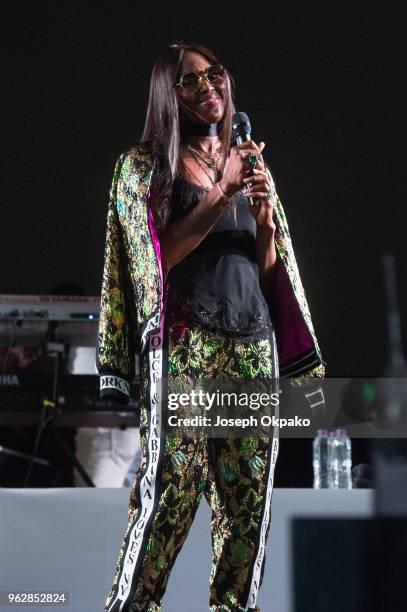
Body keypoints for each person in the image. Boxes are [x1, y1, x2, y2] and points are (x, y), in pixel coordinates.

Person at [97, 42, 325, 612]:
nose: (209, 87)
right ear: (165, 98)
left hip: (251, 352)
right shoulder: (143, 166)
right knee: (166, 505)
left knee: (247, 513)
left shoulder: (247, 160)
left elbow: (267, 271)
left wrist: (266, 223)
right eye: (191, 81)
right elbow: (156, 258)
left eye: (214, 75)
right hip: (185, 353)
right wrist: (222, 191)